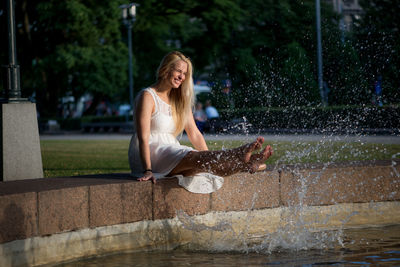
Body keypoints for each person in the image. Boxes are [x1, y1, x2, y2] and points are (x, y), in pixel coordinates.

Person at [128, 51, 273, 193]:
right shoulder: (148, 96)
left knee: (202, 165)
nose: (182, 77)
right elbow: (143, 137)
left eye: (184, 74)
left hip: (169, 149)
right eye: (178, 71)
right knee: (193, 156)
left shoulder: (180, 101)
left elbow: (194, 134)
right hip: (150, 152)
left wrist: (212, 159)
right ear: (165, 69)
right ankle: (240, 153)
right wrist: (147, 170)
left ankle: (246, 164)